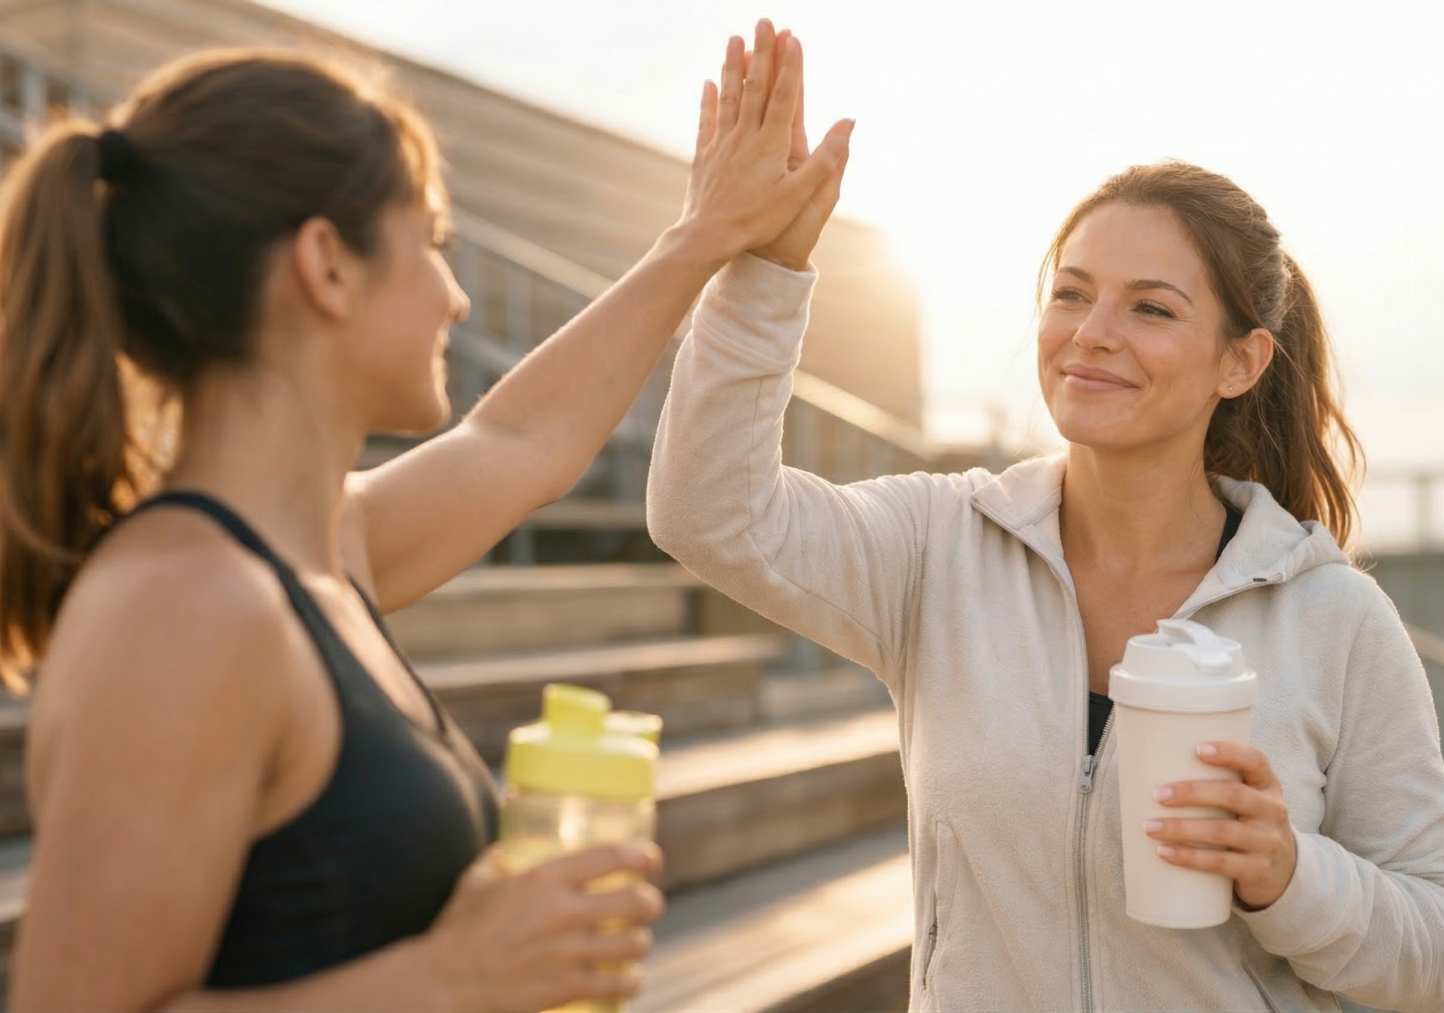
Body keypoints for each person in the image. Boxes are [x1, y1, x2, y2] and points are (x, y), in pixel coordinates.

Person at [0, 20, 851, 1012]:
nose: (455, 298)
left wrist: (702, 241)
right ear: (326, 264)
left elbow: (515, 445)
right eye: (431, 242)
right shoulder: (181, 607)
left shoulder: (317, 553)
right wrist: (451, 978)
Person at [646, 160, 1444, 1010]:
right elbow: (708, 513)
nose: (1091, 332)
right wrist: (765, 269)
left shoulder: (1334, 618)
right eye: (1072, 294)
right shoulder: (940, 548)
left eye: (1150, 308)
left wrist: (1291, 877)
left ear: (1240, 361)